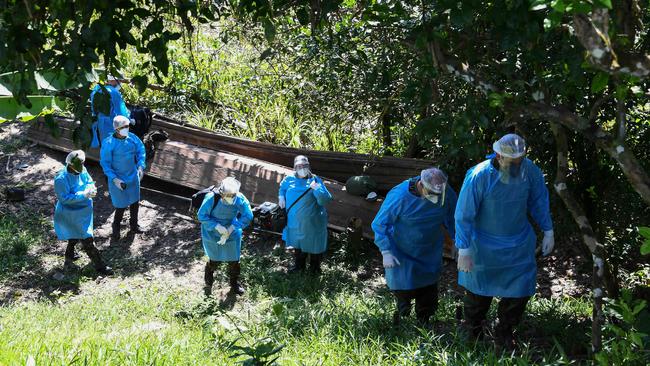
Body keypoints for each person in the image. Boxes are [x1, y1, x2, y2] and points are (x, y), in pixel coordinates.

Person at [455, 133, 554, 347]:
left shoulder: (530, 170)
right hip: (482, 244)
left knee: (520, 289)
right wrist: (463, 248)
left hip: (518, 243)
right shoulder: (479, 175)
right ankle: (473, 331)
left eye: (520, 161)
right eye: (512, 162)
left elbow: (539, 200)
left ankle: (505, 330)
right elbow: (464, 213)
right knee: (478, 292)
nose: (517, 166)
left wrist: (548, 229)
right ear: (499, 156)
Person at [371, 168, 457, 325]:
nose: (437, 198)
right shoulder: (399, 196)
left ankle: (424, 320)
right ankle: (401, 317)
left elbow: (453, 217)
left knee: (428, 288)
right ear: (421, 185)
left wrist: (457, 241)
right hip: (403, 250)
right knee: (404, 287)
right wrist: (386, 250)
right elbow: (380, 224)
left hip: (429, 249)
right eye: (432, 193)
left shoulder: (443, 190)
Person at [54, 150, 113, 275]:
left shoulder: (82, 169)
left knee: (74, 236)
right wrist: (83, 195)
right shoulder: (61, 179)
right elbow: (64, 199)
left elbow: (89, 181)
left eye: (82, 164)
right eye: (78, 165)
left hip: (84, 211)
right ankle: (100, 266)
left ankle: (69, 257)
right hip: (71, 213)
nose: (81, 167)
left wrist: (91, 189)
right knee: (87, 239)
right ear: (70, 165)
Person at [198, 177, 254, 296]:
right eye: (228, 195)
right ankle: (208, 283)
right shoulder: (212, 198)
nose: (231, 198)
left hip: (231, 232)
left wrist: (233, 227)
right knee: (214, 258)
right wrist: (217, 226)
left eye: (233, 195)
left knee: (234, 259)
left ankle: (234, 284)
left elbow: (248, 215)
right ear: (221, 192)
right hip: (212, 232)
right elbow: (202, 215)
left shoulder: (239, 198)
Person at [278, 155, 333, 274]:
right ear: (295, 167)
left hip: (313, 222)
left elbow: (325, 200)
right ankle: (299, 267)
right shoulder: (289, 179)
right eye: (299, 166)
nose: (302, 168)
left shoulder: (315, 180)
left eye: (305, 166)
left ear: (309, 166)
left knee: (315, 245)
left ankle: (315, 269)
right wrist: (281, 196)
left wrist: (317, 189)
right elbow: (282, 187)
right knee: (298, 244)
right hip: (295, 221)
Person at [100, 115, 146, 241]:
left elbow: (141, 150)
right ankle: (116, 227)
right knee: (120, 206)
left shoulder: (132, 138)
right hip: (118, 178)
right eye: (124, 127)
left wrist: (141, 166)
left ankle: (134, 225)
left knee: (135, 202)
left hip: (132, 175)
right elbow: (105, 164)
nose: (127, 129)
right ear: (116, 129)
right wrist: (114, 179)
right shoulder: (109, 143)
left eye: (127, 126)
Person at [90, 75, 132, 148]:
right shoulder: (113, 92)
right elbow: (121, 112)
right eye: (118, 80)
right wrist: (129, 118)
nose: (120, 83)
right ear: (112, 80)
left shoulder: (96, 89)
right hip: (108, 124)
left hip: (96, 122)